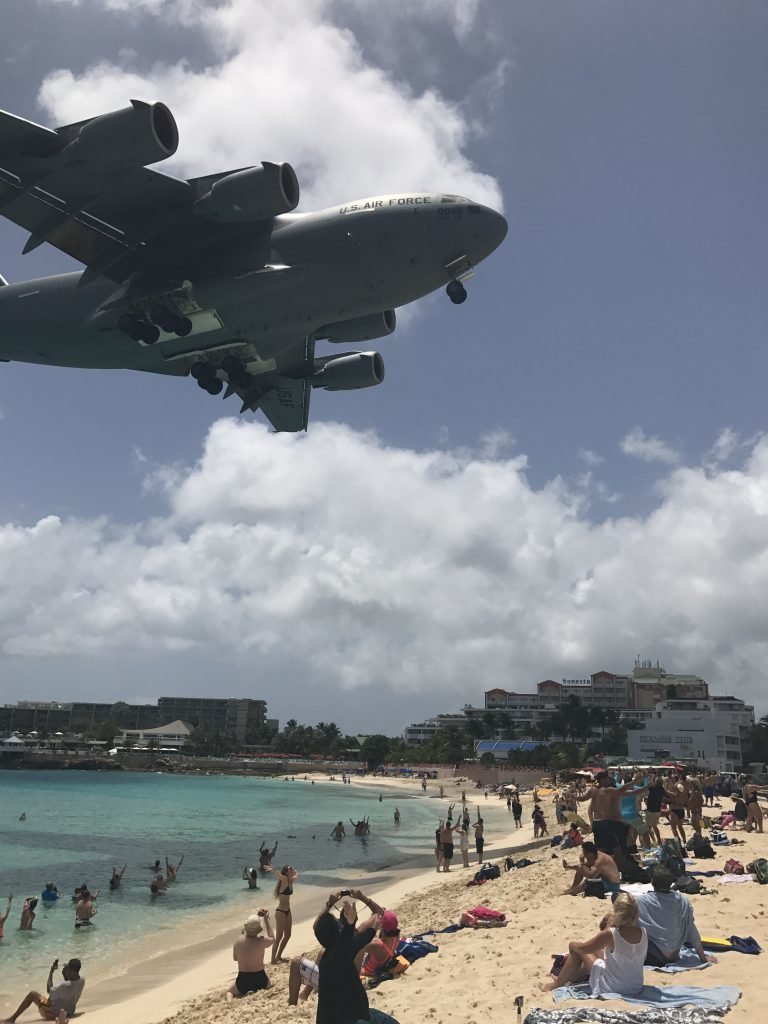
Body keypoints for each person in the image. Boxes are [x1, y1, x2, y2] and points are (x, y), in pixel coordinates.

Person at [313, 888, 399, 1024]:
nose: (340, 924)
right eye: (338, 923)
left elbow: (317, 926)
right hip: (351, 1019)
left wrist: (330, 904)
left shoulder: (329, 955)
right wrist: (361, 901)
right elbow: (378, 915)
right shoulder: (345, 950)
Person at [541, 894, 647, 996]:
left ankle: (557, 984)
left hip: (615, 987)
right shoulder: (643, 932)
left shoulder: (611, 933)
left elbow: (582, 949)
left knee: (574, 947)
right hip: (636, 987)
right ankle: (570, 977)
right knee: (598, 952)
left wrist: (609, 924)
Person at [636, 866, 716, 966]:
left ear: (652, 882)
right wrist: (702, 957)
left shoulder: (641, 901)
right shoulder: (683, 900)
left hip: (654, 955)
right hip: (674, 954)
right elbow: (692, 930)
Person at [2, 957, 85, 1024]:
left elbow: (49, 991)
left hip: (54, 1013)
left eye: (68, 969)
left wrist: (51, 972)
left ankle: (12, 1019)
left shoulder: (64, 986)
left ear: (73, 971)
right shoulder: (82, 980)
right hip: (70, 1011)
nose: (66, 970)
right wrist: (65, 974)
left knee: (32, 994)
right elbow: (69, 986)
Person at [577, 772, 635, 857]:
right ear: (603, 780)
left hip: (607, 823)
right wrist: (592, 822)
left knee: (608, 849)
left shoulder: (604, 790)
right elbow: (590, 809)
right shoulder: (602, 791)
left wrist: (593, 823)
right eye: (607, 778)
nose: (609, 780)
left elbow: (590, 809)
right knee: (615, 848)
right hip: (608, 824)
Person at [227, 911, 274, 998]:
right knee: (269, 985)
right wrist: (266, 921)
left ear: (246, 927)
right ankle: (256, 991)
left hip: (243, 979)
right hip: (260, 978)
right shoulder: (262, 940)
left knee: (230, 992)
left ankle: (230, 1002)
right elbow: (272, 938)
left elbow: (235, 958)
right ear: (258, 930)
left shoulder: (238, 941)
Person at [356, 910, 400, 978]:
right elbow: (384, 933)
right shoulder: (396, 936)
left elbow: (358, 942)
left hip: (367, 972)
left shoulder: (377, 945)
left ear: (381, 927)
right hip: (381, 965)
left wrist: (371, 920)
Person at [272, 864, 298, 963]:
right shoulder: (285, 880)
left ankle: (278, 956)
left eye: (292, 867)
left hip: (288, 911)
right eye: (290, 868)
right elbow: (279, 875)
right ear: (287, 872)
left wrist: (295, 872)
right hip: (281, 912)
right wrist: (272, 869)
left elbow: (296, 876)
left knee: (287, 935)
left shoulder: (291, 881)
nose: (292, 869)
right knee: (279, 937)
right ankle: (272, 959)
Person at [644, 774, 665, 846]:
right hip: (657, 810)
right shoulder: (662, 789)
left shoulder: (653, 788)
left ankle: (653, 841)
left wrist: (652, 778)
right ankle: (659, 840)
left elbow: (648, 785)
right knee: (655, 826)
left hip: (650, 810)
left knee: (648, 827)